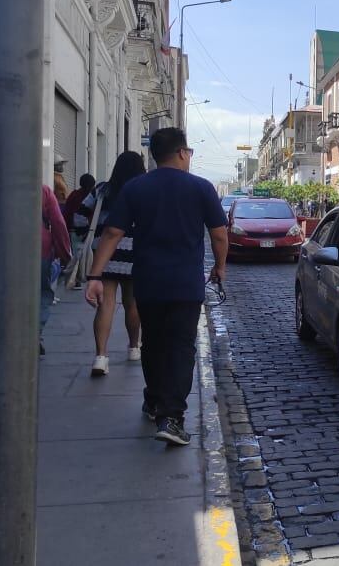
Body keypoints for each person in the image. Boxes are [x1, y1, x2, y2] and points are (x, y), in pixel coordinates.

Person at [86, 128, 228, 446]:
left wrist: (95, 276)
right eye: (189, 152)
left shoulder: (136, 188)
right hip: (185, 285)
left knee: (152, 344)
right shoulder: (202, 188)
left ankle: (153, 401)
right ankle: (172, 417)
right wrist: (219, 267)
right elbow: (219, 234)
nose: (189, 157)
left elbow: (111, 233)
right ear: (181, 153)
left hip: (148, 282)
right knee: (180, 348)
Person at [81, 153, 146, 376]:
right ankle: (133, 348)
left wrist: (87, 237)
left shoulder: (100, 190)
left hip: (104, 254)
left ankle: (101, 357)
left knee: (105, 304)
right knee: (132, 304)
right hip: (133, 254)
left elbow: (79, 217)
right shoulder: (142, 190)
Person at [40, 185, 72, 356]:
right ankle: (35, 335)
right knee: (42, 293)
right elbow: (58, 223)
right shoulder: (43, 190)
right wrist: (65, 253)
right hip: (39, 248)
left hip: (4, 250)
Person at [63, 173, 96, 288]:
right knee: (85, 254)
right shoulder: (92, 197)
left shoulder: (74, 195)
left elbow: (67, 212)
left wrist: (66, 228)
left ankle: (75, 278)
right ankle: (79, 277)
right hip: (88, 230)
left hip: (73, 230)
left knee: (76, 254)